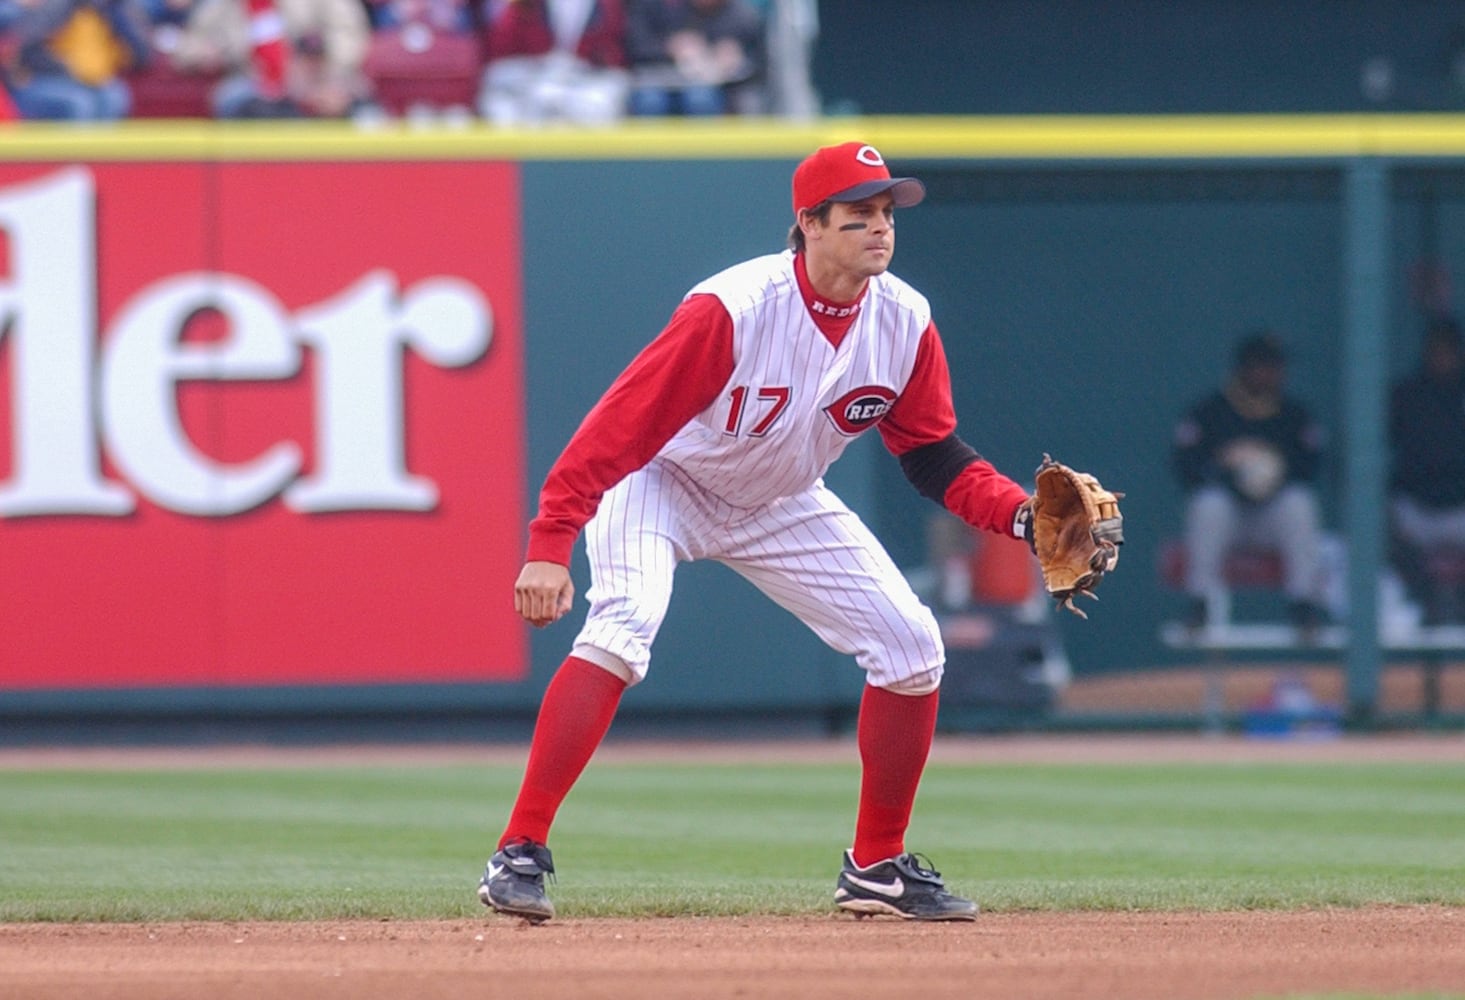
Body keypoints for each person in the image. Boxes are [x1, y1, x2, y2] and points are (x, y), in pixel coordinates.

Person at [478, 141, 1041, 924]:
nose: (880, 229)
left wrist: (1022, 517)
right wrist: (550, 542)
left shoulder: (903, 319)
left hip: (780, 499)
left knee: (912, 647)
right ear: (807, 224)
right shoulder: (733, 308)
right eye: (858, 216)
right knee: (624, 625)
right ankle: (519, 850)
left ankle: (875, 867)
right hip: (664, 482)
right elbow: (618, 429)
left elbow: (935, 456)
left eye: (885, 214)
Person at [1172, 331, 1329, 629]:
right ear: (1243, 368)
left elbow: (1310, 466)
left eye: (1274, 367)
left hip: (1271, 516)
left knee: (1299, 503)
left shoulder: (1293, 415)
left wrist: (1272, 477)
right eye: (1261, 366)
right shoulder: (1212, 412)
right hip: (1230, 516)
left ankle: (1303, 604)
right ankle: (1200, 603)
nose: (1269, 374)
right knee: (1208, 505)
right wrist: (1225, 473)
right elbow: (1185, 465)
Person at [168, 0, 372, 118]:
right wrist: (204, 52)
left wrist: (324, 73)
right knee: (230, 97)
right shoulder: (223, 4)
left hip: (317, 76)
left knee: (364, 106)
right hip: (253, 80)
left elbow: (349, 35)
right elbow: (187, 44)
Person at [1389, 316, 1465, 623]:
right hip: (1414, 511)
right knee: (1380, 525)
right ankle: (1419, 605)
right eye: (1436, 350)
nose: (1442, 357)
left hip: (1460, 511)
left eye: (1449, 351)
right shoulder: (1407, 395)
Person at [475, 0, 628, 127]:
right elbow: (500, 53)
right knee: (505, 107)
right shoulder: (525, 5)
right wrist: (540, 64)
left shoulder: (608, 5)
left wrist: (586, 65)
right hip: (532, 84)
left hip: (585, 85)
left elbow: (616, 54)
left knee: (601, 102)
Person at [7, 0, 152, 120]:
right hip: (45, 80)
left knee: (114, 96)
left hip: (91, 81)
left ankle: (104, 153)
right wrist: (69, 70)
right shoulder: (55, 7)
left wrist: (118, 8)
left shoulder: (109, 10)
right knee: (79, 102)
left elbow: (142, 55)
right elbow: (28, 49)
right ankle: (72, 155)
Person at [623, 0, 764, 117]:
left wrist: (734, 59)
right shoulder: (655, 6)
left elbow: (759, 62)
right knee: (650, 102)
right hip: (655, 77)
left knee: (700, 99)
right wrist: (670, 48)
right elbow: (637, 46)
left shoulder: (741, 15)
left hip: (717, 85)